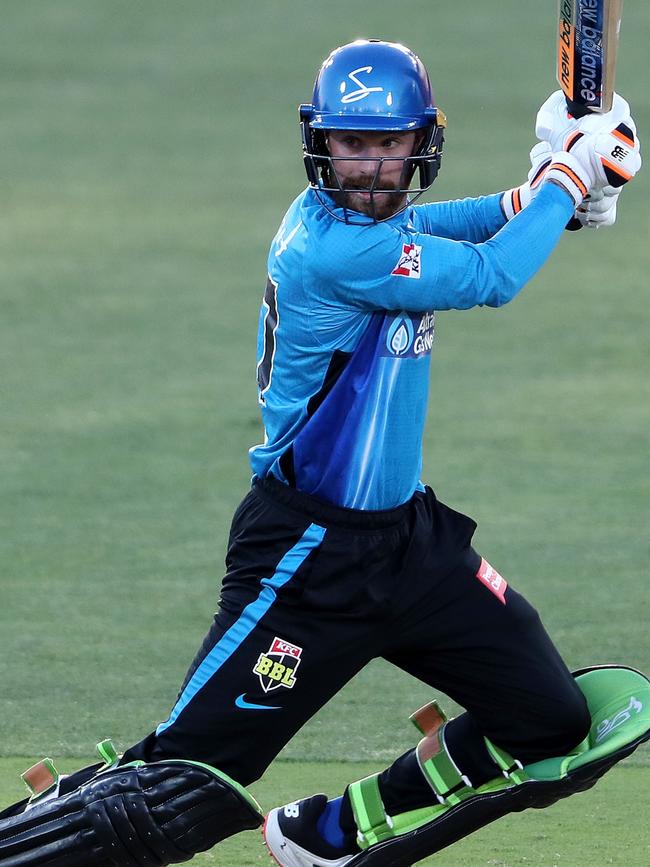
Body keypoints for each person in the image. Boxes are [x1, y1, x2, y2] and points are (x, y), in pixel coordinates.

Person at [1, 38, 648, 867]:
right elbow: (490, 276)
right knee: (184, 786)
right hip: (307, 558)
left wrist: (551, 186)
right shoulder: (336, 248)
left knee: (550, 721)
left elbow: (457, 227)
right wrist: (569, 179)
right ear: (320, 142)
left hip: (412, 548)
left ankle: (331, 830)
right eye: (353, 144)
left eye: (389, 145)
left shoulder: (378, 226)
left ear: (421, 142)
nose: (373, 165)